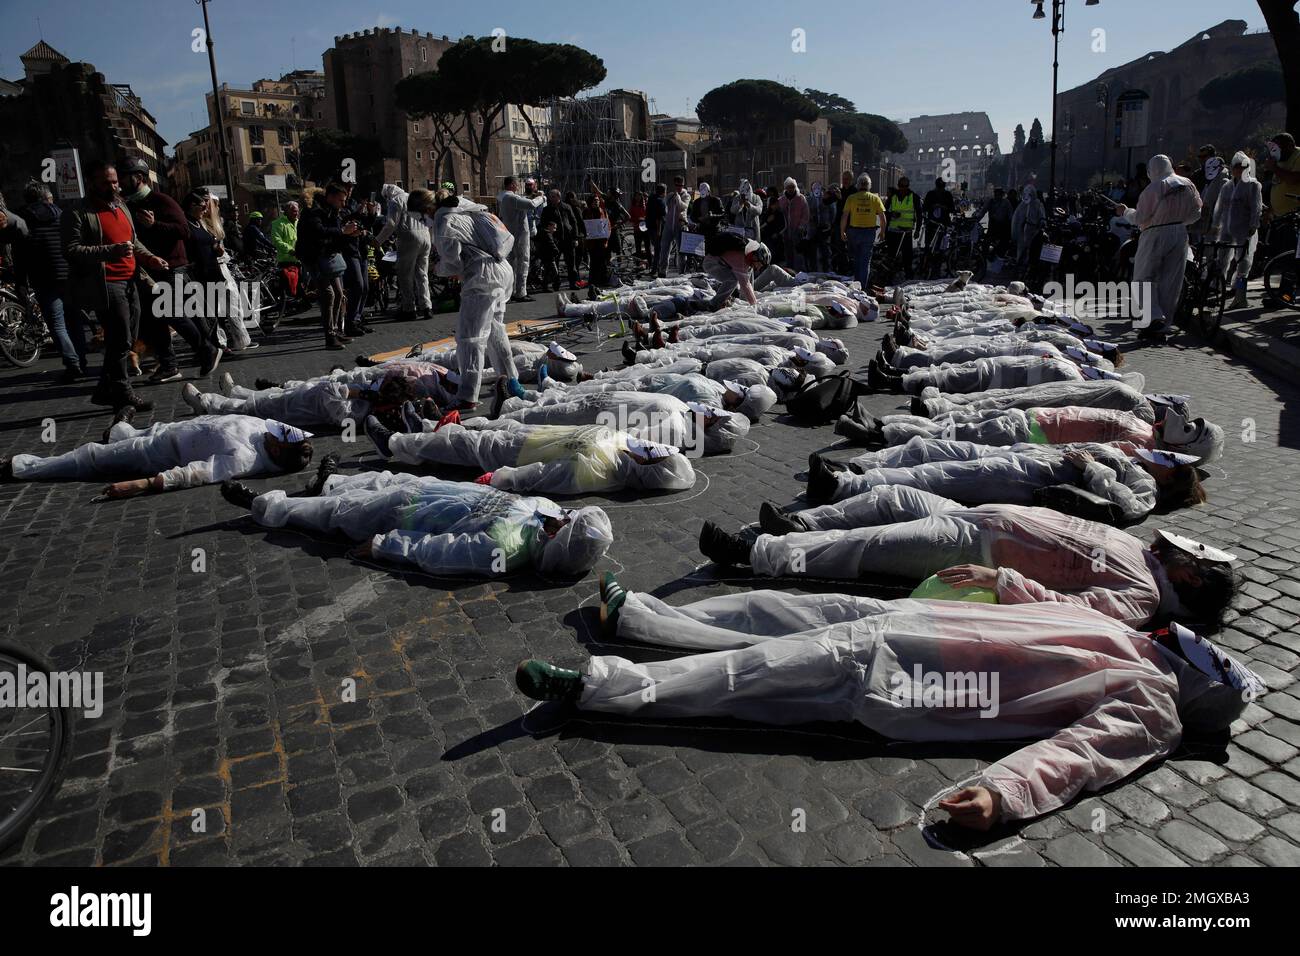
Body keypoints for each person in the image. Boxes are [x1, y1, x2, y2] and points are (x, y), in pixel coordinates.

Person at [516, 581, 1265, 831]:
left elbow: (1080, 756)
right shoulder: (1137, 635)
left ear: (1209, 684)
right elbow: (1055, 606)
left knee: (750, 675)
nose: (1194, 639)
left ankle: (594, 686)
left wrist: (1005, 793)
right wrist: (1003, 578)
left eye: (1210, 655)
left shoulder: (1154, 703)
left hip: (911, 674)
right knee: (776, 611)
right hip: (910, 621)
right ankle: (644, 620)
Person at [703, 490, 1236, 628]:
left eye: (1187, 554)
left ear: (1190, 573)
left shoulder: (1142, 596)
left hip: (973, 547)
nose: (1174, 545)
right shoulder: (1145, 555)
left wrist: (998, 579)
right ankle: (803, 525)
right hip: (978, 516)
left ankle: (754, 554)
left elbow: (1073, 611)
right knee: (890, 499)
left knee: (863, 548)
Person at [220, 468, 614, 579]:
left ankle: (267, 506)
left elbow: (443, 554)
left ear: (557, 542)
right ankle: (328, 481)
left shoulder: (505, 550)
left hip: (409, 517)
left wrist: (385, 545)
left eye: (565, 522)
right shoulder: (544, 511)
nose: (561, 514)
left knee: (337, 515)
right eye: (568, 515)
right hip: (432, 490)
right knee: (379, 480)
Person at [804, 437, 1204, 525]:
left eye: (1166, 459)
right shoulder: (1136, 463)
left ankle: (842, 488)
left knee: (935, 478)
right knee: (937, 453)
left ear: (1169, 473)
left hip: (1026, 479)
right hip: (1021, 459)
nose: (1158, 454)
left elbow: (1131, 508)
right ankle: (859, 474)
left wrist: (1092, 469)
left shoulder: (1146, 486)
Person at [61, 160, 171, 412]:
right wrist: (111, 251)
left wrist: (150, 258)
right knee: (120, 337)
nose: (113, 187)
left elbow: (133, 241)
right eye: (106, 183)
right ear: (90, 183)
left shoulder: (122, 205)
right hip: (105, 283)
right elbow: (71, 250)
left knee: (127, 337)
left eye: (114, 182)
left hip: (132, 278)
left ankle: (103, 389)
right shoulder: (77, 212)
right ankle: (123, 392)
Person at [0, 413, 312, 498]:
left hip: (157, 452)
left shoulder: (245, 459)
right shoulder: (265, 431)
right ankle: (120, 428)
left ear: (277, 448)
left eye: (279, 434)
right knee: (123, 435)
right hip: (169, 429)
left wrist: (142, 484)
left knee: (94, 458)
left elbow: (195, 474)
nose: (275, 430)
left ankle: (21, 467)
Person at [365, 417, 696, 496]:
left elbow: (547, 476)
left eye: (652, 456)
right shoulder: (627, 444)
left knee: (468, 447)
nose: (648, 447)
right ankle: (428, 429)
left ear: (647, 469)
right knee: (483, 430)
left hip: (522, 453)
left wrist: (504, 477)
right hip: (536, 434)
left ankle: (395, 444)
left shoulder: (601, 472)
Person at [432, 193, 519, 408]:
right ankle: (510, 380)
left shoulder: (444, 220)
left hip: (482, 279)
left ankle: (467, 395)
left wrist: (437, 269)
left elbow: (452, 262)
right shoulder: (474, 213)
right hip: (501, 272)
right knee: (496, 331)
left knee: (470, 337)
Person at [1119, 154, 1202, 343]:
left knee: (1142, 277)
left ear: (1152, 170)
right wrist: (1179, 222)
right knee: (1171, 281)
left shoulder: (1155, 187)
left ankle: (1154, 316)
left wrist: (1125, 212)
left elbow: (1140, 218)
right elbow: (1197, 212)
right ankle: (1162, 327)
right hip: (1180, 233)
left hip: (1155, 233)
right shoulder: (1188, 184)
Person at [14, 182, 87, 382]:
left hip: (43, 277)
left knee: (57, 324)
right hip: (68, 274)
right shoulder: (63, 214)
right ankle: (82, 361)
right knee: (74, 321)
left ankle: (73, 364)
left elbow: (19, 255)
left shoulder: (23, 220)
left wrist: (20, 282)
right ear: (48, 197)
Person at [299, 182, 362, 350]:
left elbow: (334, 235)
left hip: (327, 257)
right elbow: (319, 232)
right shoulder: (313, 210)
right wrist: (342, 231)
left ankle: (336, 330)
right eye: (341, 200)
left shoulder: (332, 211)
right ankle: (330, 337)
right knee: (328, 295)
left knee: (340, 294)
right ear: (331, 197)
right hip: (314, 258)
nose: (343, 204)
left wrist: (350, 234)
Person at [374, 184, 435, 322]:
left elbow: (391, 224)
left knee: (405, 275)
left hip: (409, 238)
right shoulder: (415, 198)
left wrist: (378, 241)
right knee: (422, 274)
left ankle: (409, 309)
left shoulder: (396, 201)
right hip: (425, 236)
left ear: (388, 195)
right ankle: (427, 307)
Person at [1213, 152, 1263, 311]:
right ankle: (1217, 291)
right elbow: (1219, 207)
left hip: (1244, 229)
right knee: (1221, 259)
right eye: (1236, 167)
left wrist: (1253, 226)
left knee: (1243, 263)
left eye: (1242, 167)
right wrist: (1215, 225)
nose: (1239, 170)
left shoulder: (1253, 185)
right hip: (1226, 229)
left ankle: (1240, 296)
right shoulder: (1227, 186)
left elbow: (1256, 208)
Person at [498, 176, 546, 302]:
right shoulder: (511, 197)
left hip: (511, 234)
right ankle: (521, 292)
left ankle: (512, 291)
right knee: (523, 262)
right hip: (519, 234)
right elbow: (531, 205)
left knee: (513, 264)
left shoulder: (504, 197)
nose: (519, 186)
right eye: (517, 184)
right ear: (512, 185)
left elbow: (524, 200)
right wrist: (541, 198)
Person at [839, 173, 888, 289]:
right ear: (869, 185)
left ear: (857, 185)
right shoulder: (875, 198)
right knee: (865, 261)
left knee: (856, 259)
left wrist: (842, 231)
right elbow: (883, 218)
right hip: (868, 233)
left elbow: (844, 216)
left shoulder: (851, 198)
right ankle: (863, 288)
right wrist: (882, 232)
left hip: (853, 232)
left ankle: (856, 285)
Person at [701, 234, 770, 310]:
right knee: (732, 280)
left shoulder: (749, 250)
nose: (759, 267)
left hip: (721, 263)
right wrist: (755, 305)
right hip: (711, 263)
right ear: (755, 256)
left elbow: (748, 282)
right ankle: (714, 304)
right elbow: (745, 284)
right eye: (760, 264)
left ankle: (727, 298)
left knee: (748, 270)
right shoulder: (740, 258)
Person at [538, 188, 580, 291]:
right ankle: (555, 284)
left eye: (553, 196)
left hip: (568, 239)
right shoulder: (547, 209)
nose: (551, 198)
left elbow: (574, 222)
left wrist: (575, 237)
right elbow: (543, 224)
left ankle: (573, 283)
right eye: (550, 197)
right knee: (554, 263)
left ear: (558, 196)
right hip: (555, 240)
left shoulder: (566, 207)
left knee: (571, 263)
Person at [884, 176, 922, 278]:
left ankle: (908, 275)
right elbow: (884, 211)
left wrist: (917, 230)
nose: (903, 188)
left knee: (907, 256)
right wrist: (892, 214)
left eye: (905, 186)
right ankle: (889, 275)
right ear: (898, 186)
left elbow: (919, 215)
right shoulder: (893, 197)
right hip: (893, 231)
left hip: (906, 232)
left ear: (908, 186)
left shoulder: (914, 197)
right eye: (901, 186)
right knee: (891, 255)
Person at [656, 177, 689, 278]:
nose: (679, 187)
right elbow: (664, 206)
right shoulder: (670, 195)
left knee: (681, 251)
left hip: (680, 225)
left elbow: (683, 207)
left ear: (683, 185)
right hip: (669, 225)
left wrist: (678, 198)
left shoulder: (686, 195)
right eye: (677, 185)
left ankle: (681, 272)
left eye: (681, 185)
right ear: (674, 185)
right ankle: (662, 271)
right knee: (664, 248)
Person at [778, 178, 810, 271]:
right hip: (785, 230)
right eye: (788, 187)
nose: (790, 189)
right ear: (785, 188)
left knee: (798, 251)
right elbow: (778, 214)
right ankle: (789, 270)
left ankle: (799, 270)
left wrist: (802, 226)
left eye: (792, 187)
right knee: (787, 252)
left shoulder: (801, 198)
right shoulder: (781, 200)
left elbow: (806, 213)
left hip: (797, 230)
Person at [1011, 185, 1045, 266]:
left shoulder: (1038, 204)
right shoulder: (1022, 205)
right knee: (1022, 250)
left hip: (1033, 231)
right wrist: (1014, 233)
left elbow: (1042, 218)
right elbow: (1016, 219)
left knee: (1032, 250)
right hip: (1022, 231)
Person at [922, 177, 956, 255]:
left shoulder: (947, 194)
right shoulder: (931, 194)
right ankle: (928, 260)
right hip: (933, 223)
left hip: (943, 224)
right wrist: (933, 206)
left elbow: (952, 209)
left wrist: (943, 207)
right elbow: (924, 208)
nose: (940, 190)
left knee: (942, 246)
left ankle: (938, 260)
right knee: (929, 245)